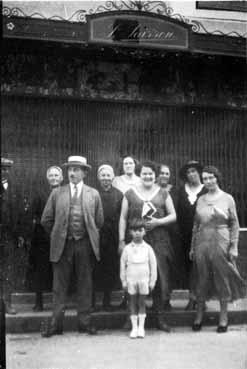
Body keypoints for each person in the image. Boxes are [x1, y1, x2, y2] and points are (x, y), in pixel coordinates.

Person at [40, 156, 104, 337]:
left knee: (85, 284)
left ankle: (85, 323)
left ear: (84, 173)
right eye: (70, 169)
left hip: (85, 245)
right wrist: (58, 234)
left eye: (76, 169)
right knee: (59, 286)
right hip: (63, 245)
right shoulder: (57, 193)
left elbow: (98, 221)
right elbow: (46, 219)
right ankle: (56, 324)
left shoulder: (93, 194)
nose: (72, 173)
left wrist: (86, 235)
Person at [119, 161, 176, 332]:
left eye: (151, 173)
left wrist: (159, 221)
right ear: (139, 174)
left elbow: (173, 215)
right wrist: (121, 240)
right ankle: (131, 318)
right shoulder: (130, 193)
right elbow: (123, 217)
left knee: (159, 278)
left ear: (155, 175)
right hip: (136, 241)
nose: (148, 176)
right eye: (144, 173)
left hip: (159, 241)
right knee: (133, 278)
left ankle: (159, 318)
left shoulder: (163, 193)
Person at [190, 166, 246, 333]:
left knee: (222, 277)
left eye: (211, 178)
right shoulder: (200, 200)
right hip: (202, 240)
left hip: (221, 238)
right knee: (202, 277)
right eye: (205, 178)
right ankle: (199, 315)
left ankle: (223, 317)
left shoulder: (228, 198)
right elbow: (195, 225)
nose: (208, 181)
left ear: (217, 178)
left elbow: (234, 224)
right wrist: (192, 246)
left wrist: (234, 246)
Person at [29, 166, 63, 311]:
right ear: (47, 177)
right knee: (40, 269)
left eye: (56, 175)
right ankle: (39, 302)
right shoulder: (40, 194)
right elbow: (34, 215)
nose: (54, 177)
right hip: (43, 238)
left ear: (61, 178)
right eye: (51, 175)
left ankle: (59, 302)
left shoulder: (66, 193)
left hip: (61, 237)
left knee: (60, 270)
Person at [177, 160, 207, 310]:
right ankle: (191, 297)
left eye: (194, 171)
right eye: (188, 172)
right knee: (189, 267)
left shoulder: (206, 190)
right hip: (184, 235)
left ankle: (202, 299)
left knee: (202, 266)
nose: (191, 174)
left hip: (203, 234)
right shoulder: (181, 191)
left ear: (200, 173)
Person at [120, 218, 157, 338]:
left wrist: (152, 281)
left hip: (143, 280)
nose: (137, 233)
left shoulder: (148, 248)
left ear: (144, 232)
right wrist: (124, 281)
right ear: (130, 232)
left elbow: (153, 265)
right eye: (134, 230)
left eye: (140, 230)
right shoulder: (127, 249)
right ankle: (134, 328)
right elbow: (122, 266)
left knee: (142, 303)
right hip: (131, 279)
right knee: (132, 303)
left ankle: (141, 327)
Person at [157, 164, 184, 309]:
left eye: (167, 173)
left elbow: (179, 211)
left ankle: (166, 299)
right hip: (155, 233)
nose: (164, 176)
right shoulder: (152, 190)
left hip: (172, 233)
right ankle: (157, 299)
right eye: (162, 173)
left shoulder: (175, 191)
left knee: (168, 266)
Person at [96, 164, 123, 310]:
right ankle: (93, 302)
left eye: (108, 175)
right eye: (103, 175)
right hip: (97, 236)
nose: (106, 178)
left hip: (113, 236)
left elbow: (122, 217)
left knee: (110, 268)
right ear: (99, 177)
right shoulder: (93, 193)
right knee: (95, 267)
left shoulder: (119, 195)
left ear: (113, 177)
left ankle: (107, 300)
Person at [0, 157, 16, 315]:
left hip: (8, 236)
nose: (3, 172)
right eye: (1, 169)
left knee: (7, 271)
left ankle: (8, 303)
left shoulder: (14, 188)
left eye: (6, 169)